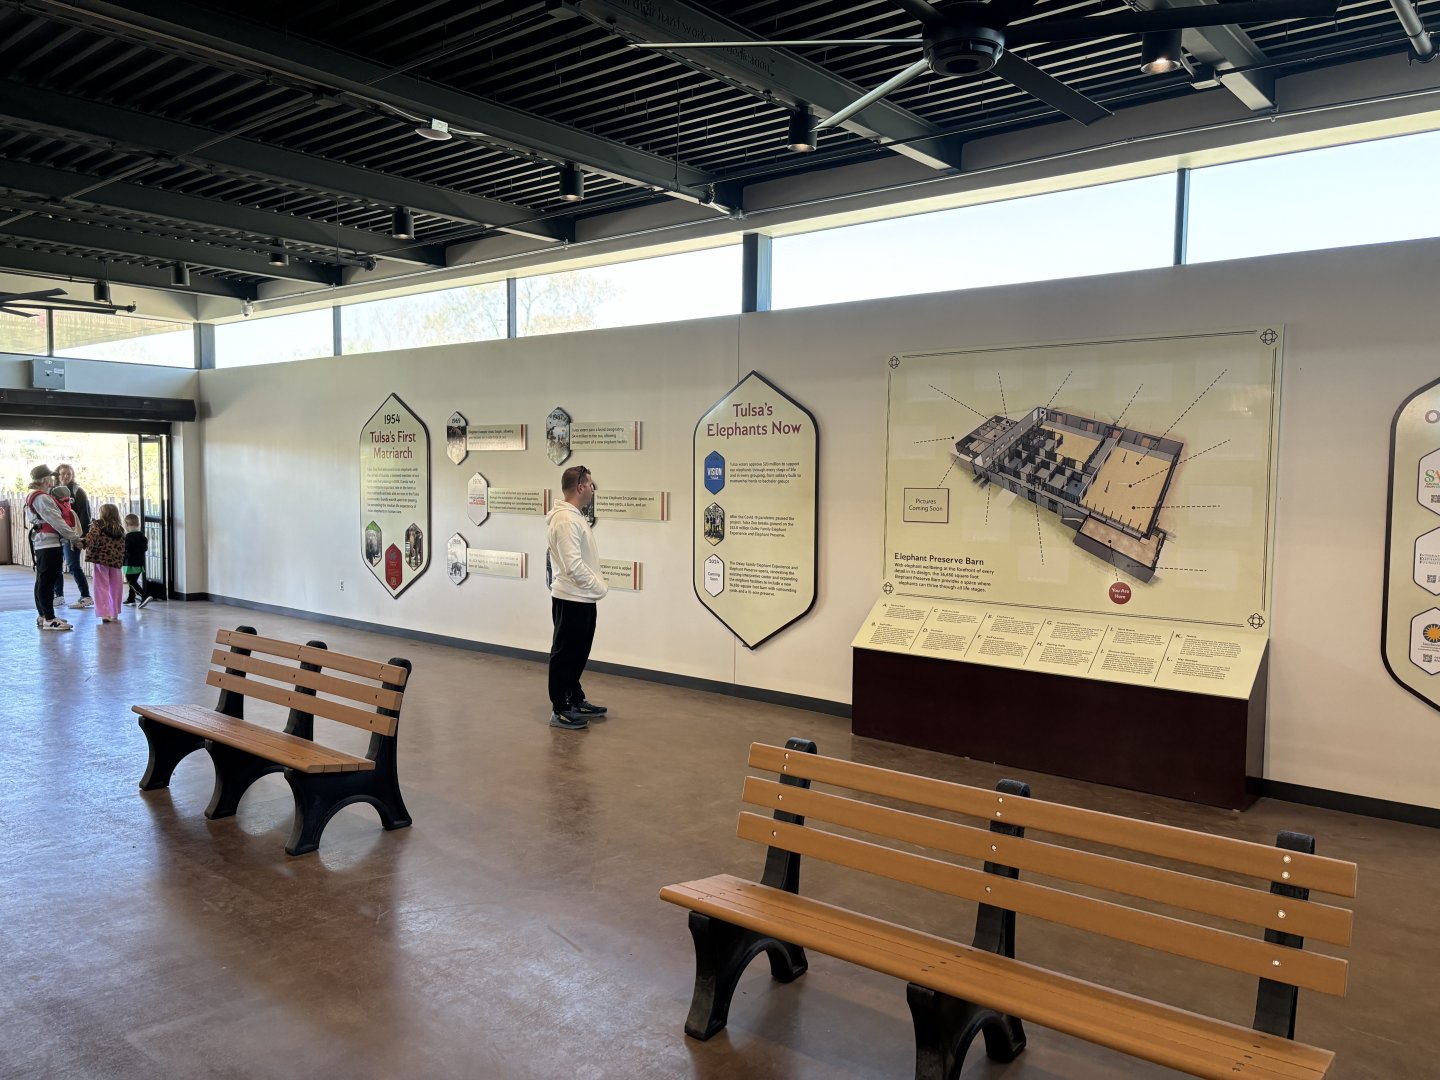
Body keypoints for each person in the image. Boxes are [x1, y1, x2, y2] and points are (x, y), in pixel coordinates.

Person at [545, 465, 608, 730]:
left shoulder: (574, 517)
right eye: (591, 484)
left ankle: (574, 699)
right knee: (565, 655)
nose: (594, 489)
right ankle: (560, 709)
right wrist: (598, 587)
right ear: (580, 487)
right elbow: (573, 565)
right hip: (572, 598)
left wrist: (593, 590)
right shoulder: (566, 520)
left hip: (581, 598)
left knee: (578, 653)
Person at [24, 464, 82, 631]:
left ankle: (43, 615)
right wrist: (74, 537)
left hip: (43, 542)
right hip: (49, 543)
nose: (53, 479)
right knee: (47, 582)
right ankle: (50, 618)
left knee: (42, 580)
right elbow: (56, 520)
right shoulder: (42, 498)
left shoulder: (33, 496)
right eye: (50, 476)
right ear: (44, 480)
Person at [52, 463, 93, 610]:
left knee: (73, 565)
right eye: (62, 473)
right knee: (56, 565)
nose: (65, 476)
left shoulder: (78, 492)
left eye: (69, 474)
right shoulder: (52, 492)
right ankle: (59, 595)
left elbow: (85, 515)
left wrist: (82, 538)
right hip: (56, 535)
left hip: (73, 535)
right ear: (57, 475)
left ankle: (86, 595)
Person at [80, 503, 127, 624]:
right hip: (116, 561)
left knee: (101, 586)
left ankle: (104, 613)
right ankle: (114, 612)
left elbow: (92, 536)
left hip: (101, 559)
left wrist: (83, 543)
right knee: (116, 586)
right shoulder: (120, 528)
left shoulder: (99, 524)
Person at [122, 514, 151, 608]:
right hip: (140, 563)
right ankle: (131, 598)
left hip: (129, 563)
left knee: (131, 581)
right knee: (133, 580)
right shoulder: (142, 536)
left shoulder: (128, 537)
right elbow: (145, 548)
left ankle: (144, 596)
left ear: (126, 524)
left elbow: (125, 550)